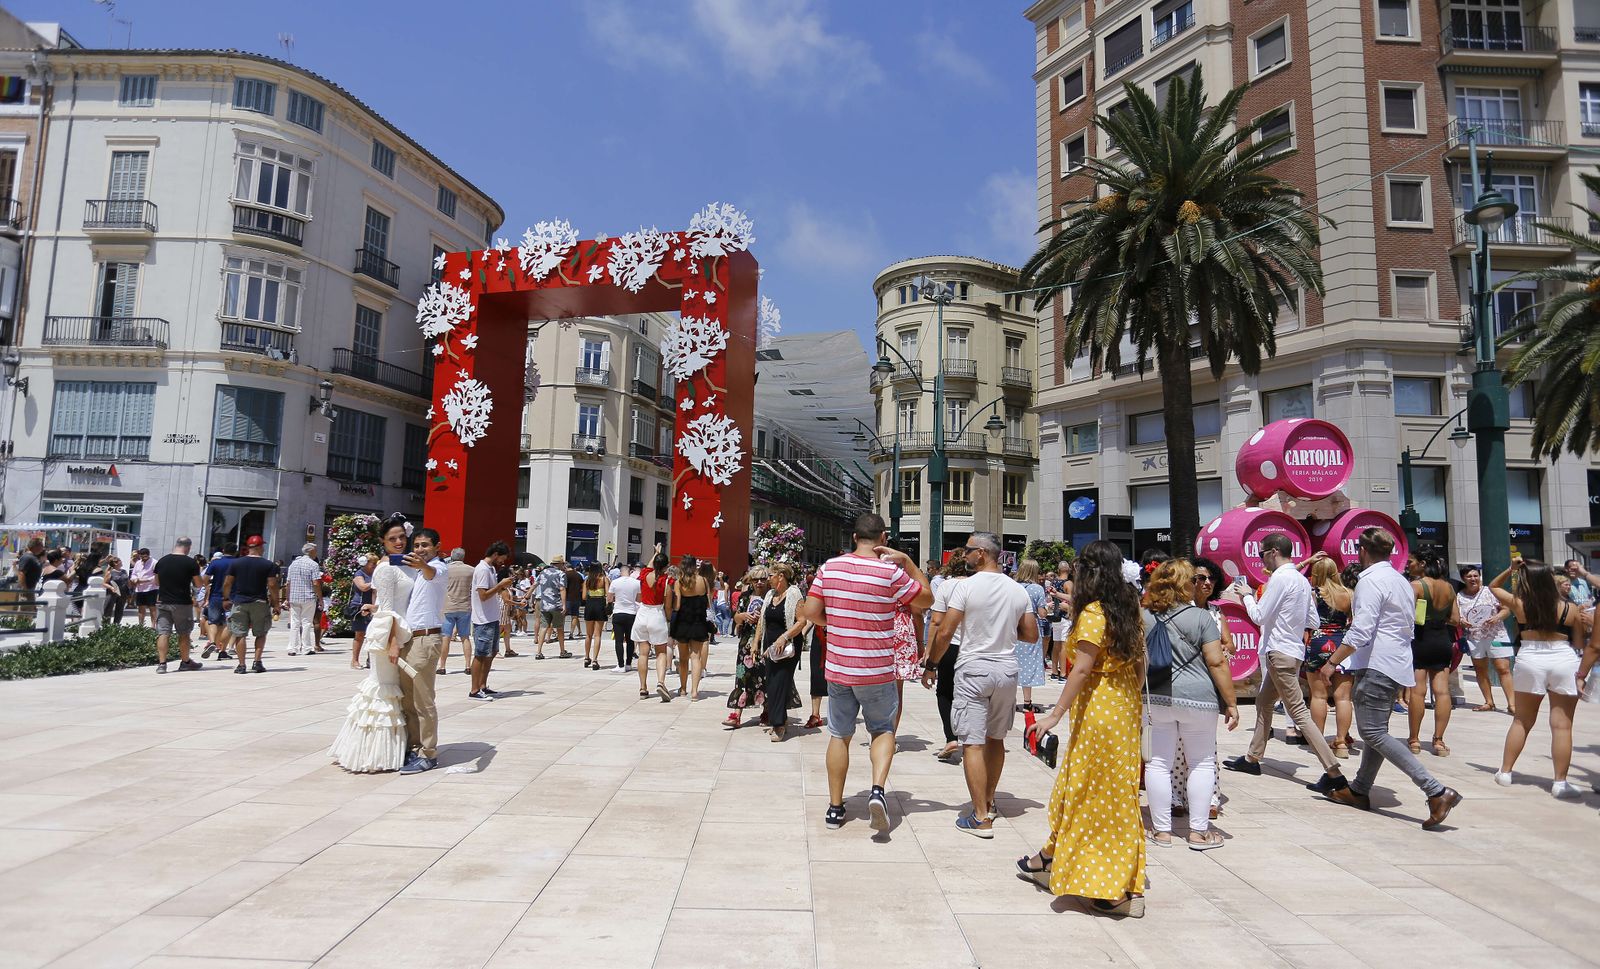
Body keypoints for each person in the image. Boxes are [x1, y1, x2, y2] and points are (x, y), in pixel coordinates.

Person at [1017, 540, 1147, 917]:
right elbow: (1139, 665)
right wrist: (1130, 701)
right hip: (1123, 706)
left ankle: (1103, 883)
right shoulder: (1127, 607)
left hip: (1099, 709)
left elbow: (1082, 667)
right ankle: (1053, 856)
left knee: (1089, 789)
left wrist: (1055, 713)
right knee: (1112, 790)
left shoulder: (1092, 612)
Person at [1317, 528, 1462, 827]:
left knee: (1373, 732)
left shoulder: (1371, 582)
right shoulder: (1400, 580)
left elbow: (1361, 630)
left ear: (1363, 551)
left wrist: (1333, 661)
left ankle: (1435, 790)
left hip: (1377, 663)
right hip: (1397, 662)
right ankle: (1359, 789)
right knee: (1375, 731)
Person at [799, 513, 933, 833]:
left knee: (839, 735)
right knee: (883, 730)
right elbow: (926, 600)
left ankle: (834, 807)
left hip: (840, 667)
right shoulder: (890, 572)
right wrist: (909, 563)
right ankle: (877, 790)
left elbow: (812, 613)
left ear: (854, 537)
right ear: (883, 538)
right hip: (877, 669)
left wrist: (838, 626)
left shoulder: (829, 568)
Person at [925, 532, 1035, 837]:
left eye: (969, 551)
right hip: (1007, 670)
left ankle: (980, 816)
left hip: (975, 668)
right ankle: (989, 799)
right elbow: (1031, 634)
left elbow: (946, 631)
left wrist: (932, 662)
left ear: (983, 554)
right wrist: (1001, 628)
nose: (964, 556)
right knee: (996, 739)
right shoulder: (1017, 590)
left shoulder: (965, 587)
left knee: (972, 742)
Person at [1222, 534, 1350, 795]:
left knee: (1299, 713)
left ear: (1272, 552)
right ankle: (1252, 758)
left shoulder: (1280, 578)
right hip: (1292, 651)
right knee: (1264, 702)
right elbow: (1313, 621)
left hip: (1278, 652)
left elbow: (1258, 615)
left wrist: (1247, 595)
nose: (1260, 558)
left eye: (1261, 553)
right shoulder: (1302, 581)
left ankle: (1334, 772)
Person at [1140, 558, 1239, 849]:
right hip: (1199, 697)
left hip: (1157, 694)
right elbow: (1217, 661)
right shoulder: (1201, 618)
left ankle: (1162, 832)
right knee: (1201, 761)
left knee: (1158, 763)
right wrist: (1231, 702)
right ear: (1186, 584)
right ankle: (1197, 832)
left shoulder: (1144, 616)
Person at [1487, 557, 1593, 798]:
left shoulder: (1519, 603)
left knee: (1522, 720)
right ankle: (1560, 782)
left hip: (1530, 658)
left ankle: (1505, 772)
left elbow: (1492, 587)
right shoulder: (1571, 608)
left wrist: (1510, 568)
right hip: (1563, 658)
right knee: (1562, 725)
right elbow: (1578, 643)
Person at [332, 514, 414, 773]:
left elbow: (385, 603)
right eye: (393, 539)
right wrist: (392, 643)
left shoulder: (404, 564)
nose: (399, 541)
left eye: (402, 537)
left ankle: (386, 750)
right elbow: (388, 609)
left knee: (389, 691)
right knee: (383, 690)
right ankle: (374, 753)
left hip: (398, 631)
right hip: (388, 635)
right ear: (383, 541)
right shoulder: (386, 568)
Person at [399, 526, 446, 774]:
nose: (420, 550)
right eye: (416, 546)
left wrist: (421, 565)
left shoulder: (438, 568)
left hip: (426, 640)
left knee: (424, 700)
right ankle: (413, 747)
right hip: (409, 640)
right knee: (408, 700)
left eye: (425, 545)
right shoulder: (416, 573)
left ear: (437, 547)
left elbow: (430, 571)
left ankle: (429, 753)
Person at [1409, 549, 1457, 757]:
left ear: (1421, 564)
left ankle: (1414, 739)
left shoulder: (1417, 586)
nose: (1408, 565)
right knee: (1442, 691)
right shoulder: (1449, 587)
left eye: (1411, 562)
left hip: (1421, 638)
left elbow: (1407, 614)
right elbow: (1455, 618)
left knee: (1417, 691)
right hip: (1441, 639)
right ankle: (1438, 740)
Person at [1305, 556, 1355, 759]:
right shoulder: (1349, 593)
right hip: (1343, 643)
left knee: (1318, 696)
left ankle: (1318, 741)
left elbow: (1306, 620)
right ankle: (1341, 741)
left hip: (1319, 641)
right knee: (1343, 697)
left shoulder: (1314, 594)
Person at [927, 556, 972, 763]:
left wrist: (929, 651)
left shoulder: (946, 586)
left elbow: (936, 622)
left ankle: (951, 737)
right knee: (972, 695)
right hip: (974, 647)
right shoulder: (979, 585)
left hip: (949, 646)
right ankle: (972, 739)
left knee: (945, 692)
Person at [757, 563, 808, 741]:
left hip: (788, 646)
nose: (767, 579)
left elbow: (802, 621)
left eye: (770, 575)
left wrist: (784, 637)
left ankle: (778, 724)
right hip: (770, 646)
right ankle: (782, 719)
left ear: (781, 576)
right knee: (771, 682)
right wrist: (759, 642)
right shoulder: (770, 595)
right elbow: (763, 621)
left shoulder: (794, 593)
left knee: (780, 682)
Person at [1457, 564, 1514, 714]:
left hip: (1497, 634)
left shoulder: (1490, 591)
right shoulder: (1459, 596)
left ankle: (1512, 704)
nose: (1473, 579)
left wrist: (1497, 617)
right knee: (1480, 669)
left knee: (1503, 669)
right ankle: (1489, 702)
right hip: (1474, 637)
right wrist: (1462, 622)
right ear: (1463, 578)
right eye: (1469, 576)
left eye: (1475, 575)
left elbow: (1506, 609)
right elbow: (1457, 617)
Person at [224, 536, 280, 673]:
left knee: (240, 634)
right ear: (260, 547)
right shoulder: (269, 565)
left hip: (239, 602)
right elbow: (272, 585)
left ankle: (241, 665)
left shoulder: (236, 563)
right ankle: (257, 662)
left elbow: (227, 583)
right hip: (259, 602)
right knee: (261, 633)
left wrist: (225, 598)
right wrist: (276, 604)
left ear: (249, 547)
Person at [153, 538, 205, 674]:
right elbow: (198, 584)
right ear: (188, 547)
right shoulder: (190, 563)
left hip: (163, 601)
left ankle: (162, 664)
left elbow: (156, 582)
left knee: (163, 633)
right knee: (183, 633)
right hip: (182, 602)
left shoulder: (162, 561)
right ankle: (185, 662)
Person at [725, 567, 769, 727]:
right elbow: (736, 616)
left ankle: (767, 711)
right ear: (750, 581)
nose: (759, 583)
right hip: (746, 643)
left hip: (765, 642)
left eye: (763, 579)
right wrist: (744, 616)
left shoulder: (772, 597)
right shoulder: (745, 598)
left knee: (765, 676)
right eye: (756, 579)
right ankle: (736, 714)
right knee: (742, 676)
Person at [470, 542, 514, 700]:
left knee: (492, 652)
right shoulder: (482, 569)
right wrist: (500, 585)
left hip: (492, 617)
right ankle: (474, 690)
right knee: (480, 654)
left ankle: (483, 686)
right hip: (483, 619)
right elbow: (483, 595)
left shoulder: (490, 569)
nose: (503, 561)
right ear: (495, 554)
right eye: (502, 558)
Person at [668, 554, 713, 700]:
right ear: (695, 566)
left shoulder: (679, 582)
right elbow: (708, 603)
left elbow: (678, 605)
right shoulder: (703, 581)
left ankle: (682, 688)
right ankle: (694, 691)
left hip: (683, 623)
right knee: (696, 657)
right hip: (699, 622)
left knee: (683, 658)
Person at [634, 549, 674, 700]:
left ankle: (643, 688)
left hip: (643, 613)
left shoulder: (644, 575)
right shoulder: (667, 581)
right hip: (657, 614)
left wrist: (655, 553)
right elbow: (668, 605)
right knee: (661, 652)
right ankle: (660, 682)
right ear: (666, 566)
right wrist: (668, 619)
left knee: (643, 653)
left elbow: (649, 567)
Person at [1013, 559, 1050, 712]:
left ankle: (1009, 701)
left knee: (1013, 664)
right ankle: (1027, 702)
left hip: (1013, 627)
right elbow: (1042, 613)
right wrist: (1048, 607)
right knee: (1028, 664)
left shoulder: (1013, 586)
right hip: (1030, 628)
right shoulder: (1037, 589)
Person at [437, 549, 473, 674]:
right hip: (465, 606)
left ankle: (442, 666)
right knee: (465, 637)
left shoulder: (446, 569)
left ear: (452, 556)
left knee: (445, 637)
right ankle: (468, 666)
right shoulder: (470, 570)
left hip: (448, 606)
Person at [284, 543, 322, 657]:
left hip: (294, 597)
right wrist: (320, 598)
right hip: (308, 596)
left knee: (295, 622)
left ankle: (293, 648)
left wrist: (287, 597)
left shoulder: (293, 564)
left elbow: (288, 583)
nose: (316, 552)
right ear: (311, 551)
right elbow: (315, 583)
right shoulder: (313, 564)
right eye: (315, 550)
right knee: (306, 622)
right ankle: (306, 647)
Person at [200, 544, 236, 661]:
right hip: (232, 597)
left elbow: (204, 580)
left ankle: (212, 642)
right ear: (235, 552)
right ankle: (223, 650)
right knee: (228, 624)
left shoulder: (215, 563)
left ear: (223, 550)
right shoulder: (238, 563)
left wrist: (207, 587)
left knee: (213, 621)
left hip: (215, 595)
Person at [534, 559, 570, 659]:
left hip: (544, 605)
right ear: (559, 564)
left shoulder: (542, 572)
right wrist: (564, 605)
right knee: (559, 628)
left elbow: (535, 584)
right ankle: (562, 651)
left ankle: (539, 651)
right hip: (556, 605)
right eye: (563, 564)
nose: (564, 566)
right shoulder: (561, 574)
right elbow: (562, 589)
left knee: (543, 627)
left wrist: (527, 596)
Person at [608, 563, 640, 673]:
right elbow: (639, 598)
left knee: (619, 640)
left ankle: (620, 665)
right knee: (630, 640)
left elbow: (609, 598)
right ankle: (628, 663)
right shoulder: (636, 583)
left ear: (621, 572)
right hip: (631, 613)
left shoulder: (615, 582)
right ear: (630, 572)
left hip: (618, 612)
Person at [1046, 561, 1074, 681]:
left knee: (1056, 644)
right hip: (1065, 616)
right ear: (1068, 570)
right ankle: (1063, 673)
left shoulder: (1054, 582)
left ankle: (1054, 671)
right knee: (1064, 645)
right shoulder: (1068, 583)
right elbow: (1073, 600)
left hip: (1055, 617)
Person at [348, 555, 376, 669]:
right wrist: (376, 581)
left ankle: (371, 660)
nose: (374, 565)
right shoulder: (359, 574)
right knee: (359, 634)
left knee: (372, 635)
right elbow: (363, 587)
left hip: (372, 606)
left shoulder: (375, 573)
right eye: (372, 563)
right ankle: (354, 661)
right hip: (359, 607)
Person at [581, 562, 609, 669]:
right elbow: (607, 593)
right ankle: (595, 660)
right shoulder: (604, 579)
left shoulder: (587, 580)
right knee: (598, 634)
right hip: (600, 604)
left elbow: (584, 596)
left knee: (588, 634)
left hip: (590, 604)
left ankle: (586, 657)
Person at [130, 548, 156, 626]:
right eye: (141, 557)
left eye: (144, 557)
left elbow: (156, 576)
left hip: (151, 588)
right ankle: (141, 625)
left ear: (148, 555)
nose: (143, 559)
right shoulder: (138, 563)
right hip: (140, 588)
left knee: (152, 608)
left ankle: (153, 626)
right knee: (141, 608)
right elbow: (134, 573)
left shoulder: (154, 562)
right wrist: (134, 579)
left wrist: (145, 580)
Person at [102, 555, 129, 626]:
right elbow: (104, 583)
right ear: (115, 563)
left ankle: (116, 625)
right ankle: (106, 625)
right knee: (108, 609)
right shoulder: (110, 572)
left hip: (123, 592)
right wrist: (111, 587)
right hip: (112, 592)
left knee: (120, 609)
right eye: (120, 561)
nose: (121, 562)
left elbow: (127, 581)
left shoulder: (124, 571)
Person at [15, 536, 43, 601]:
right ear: (36, 546)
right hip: (27, 589)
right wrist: (24, 590)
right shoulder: (27, 557)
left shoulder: (33, 557)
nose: (42, 548)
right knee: (25, 609)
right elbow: (21, 573)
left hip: (31, 589)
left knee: (30, 609)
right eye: (41, 545)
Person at [565, 561, 584, 642]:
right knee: (575, 616)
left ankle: (559, 632)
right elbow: (582, 586)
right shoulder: (578, 575)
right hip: (576, 598)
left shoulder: (565, 575)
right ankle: (571, 633)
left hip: (567, 598)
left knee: (563, 616)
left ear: (566, 567)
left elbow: (563, 587)